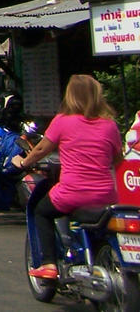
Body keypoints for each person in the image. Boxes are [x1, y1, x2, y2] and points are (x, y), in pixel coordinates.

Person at [13, 74, 123, 279]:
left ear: (70, 96)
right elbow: (117, 159)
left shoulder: (62, 121)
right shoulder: (110, 125)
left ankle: (49, 264)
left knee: (42, 212)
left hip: (72, 193)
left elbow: (40, 150)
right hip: (105, 196)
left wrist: (23, 162)